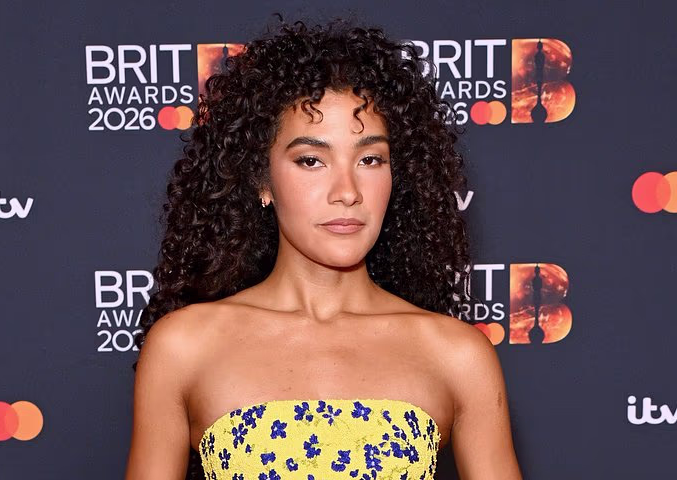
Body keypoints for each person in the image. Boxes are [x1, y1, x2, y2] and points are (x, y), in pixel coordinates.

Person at [124, 14, 523, 480]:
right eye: (312, 160)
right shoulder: (183, 348)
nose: (347, 191)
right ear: (261, 179)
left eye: (370, 159)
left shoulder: (456, 355)